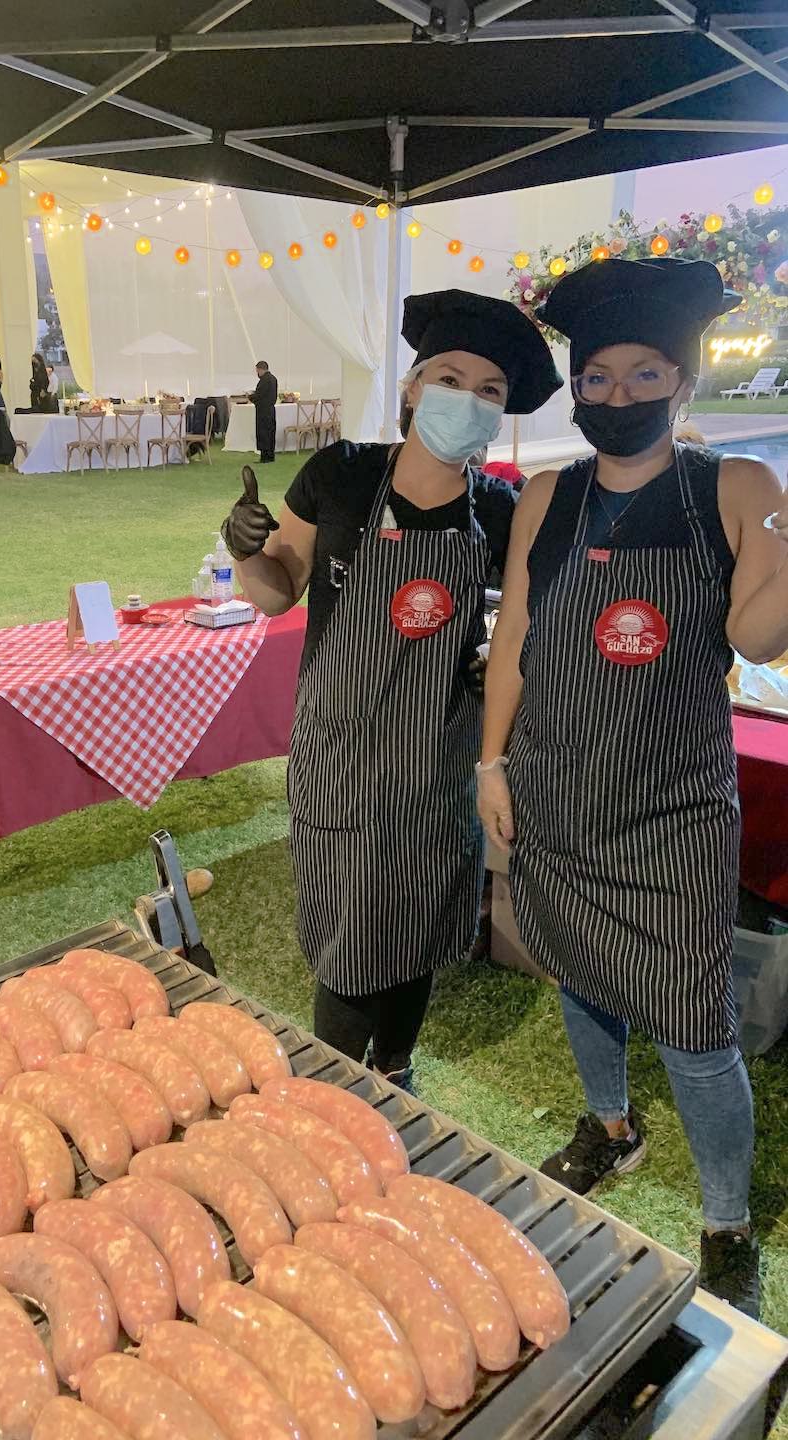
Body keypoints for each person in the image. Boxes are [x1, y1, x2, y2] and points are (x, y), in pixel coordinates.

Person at [478, 257, 788, 1318]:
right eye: (598, 378)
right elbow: (514, 636)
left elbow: (756, 637)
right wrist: (489, 763)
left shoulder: (734, 489)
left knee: (698, 1031)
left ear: (685, 382)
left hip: (673, 814)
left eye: (647, 374)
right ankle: (610, 1126)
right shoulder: (550, 498)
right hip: (556, 793)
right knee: (578, 974)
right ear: (577, 388)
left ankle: (726, 1220)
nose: (621, 397)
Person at [222, 291, 561, 1089]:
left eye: (490, 393)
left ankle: (397, 1069)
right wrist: (244, 551)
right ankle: (334, 1088)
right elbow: (279, 588)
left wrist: (494, 659)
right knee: (347, 932)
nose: (466, 402)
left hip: (437, 759)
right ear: (412, 388)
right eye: (450, 378)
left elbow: (519, 630)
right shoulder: (341, 475)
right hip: (341, 750)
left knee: (415, 923)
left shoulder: (504, 512)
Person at [250, 360, 278, 463]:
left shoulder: (264, 380)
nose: (257, 373)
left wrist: (250, 396)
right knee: (270, 433)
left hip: (263, 411)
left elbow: (259, 395)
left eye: (257, 370)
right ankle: (271, 455)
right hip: (271, 410)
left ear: (261, 369)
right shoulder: (273, 379)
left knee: (263, 433)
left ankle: (264, 457)